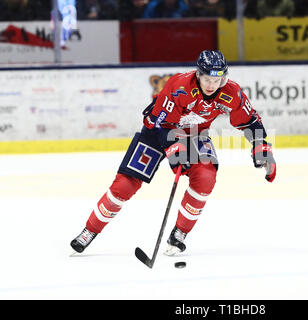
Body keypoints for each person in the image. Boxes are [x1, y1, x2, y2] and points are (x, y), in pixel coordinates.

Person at [70, 50, 277, 256]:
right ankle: (90, 230)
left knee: (205, 178)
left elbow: (249, 120)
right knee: (124, 185)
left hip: (194, 135)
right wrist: (173, 150)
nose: (212, 85)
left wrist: (260, 146)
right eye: (207, 79)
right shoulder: (179, 87)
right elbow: (159, 123)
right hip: (157, 132)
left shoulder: (231, 92)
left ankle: (179, 233)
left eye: (218, 79)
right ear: (198, 74)